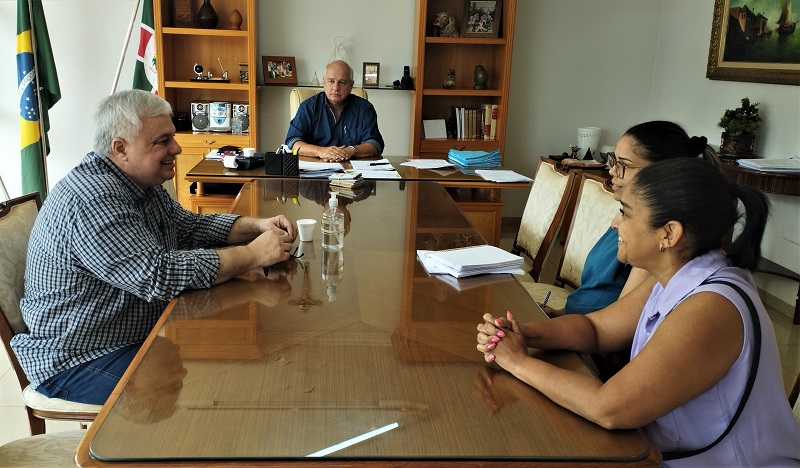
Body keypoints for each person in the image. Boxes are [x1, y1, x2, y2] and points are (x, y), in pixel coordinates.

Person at [477, 158, 800, 466]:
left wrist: (516, 360)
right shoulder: (679, 273)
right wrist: (523, 334)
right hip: (663, 451)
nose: (615, 222)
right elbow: (597, 329)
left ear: (668, 234)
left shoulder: (711, 306)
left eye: (625, 213)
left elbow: (610, 409)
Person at [12, 89, 297, 405]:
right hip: (76, 361)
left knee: (223, 383)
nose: (176, 148)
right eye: (162, 141)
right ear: (120, 148)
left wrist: (256, 226)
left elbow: (189, 227)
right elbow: (159, 276)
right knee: (205, 396)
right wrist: (253, 254)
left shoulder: (139, 183)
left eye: (172, 137)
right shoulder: (95, 200)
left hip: (121, 339)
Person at [546, 120, 722, 317]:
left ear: (660, 173)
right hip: (577, 326)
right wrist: (559, 315)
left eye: (624, 165)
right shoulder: (629, 219)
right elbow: (593, 294)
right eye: (614, 161)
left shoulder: (654, 236)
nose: (612, 170)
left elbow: (616, 323)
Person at [285, 60, 384, 162]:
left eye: (342, 82)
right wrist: (319, 151)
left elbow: (375, 144)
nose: (336, 88)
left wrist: (352, 150)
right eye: (331, 81)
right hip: (316, 169)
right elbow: (293, 142)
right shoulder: (308, 107)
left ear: (351, 85)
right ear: (324, 82)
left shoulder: (364, 108)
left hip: (353, 171)